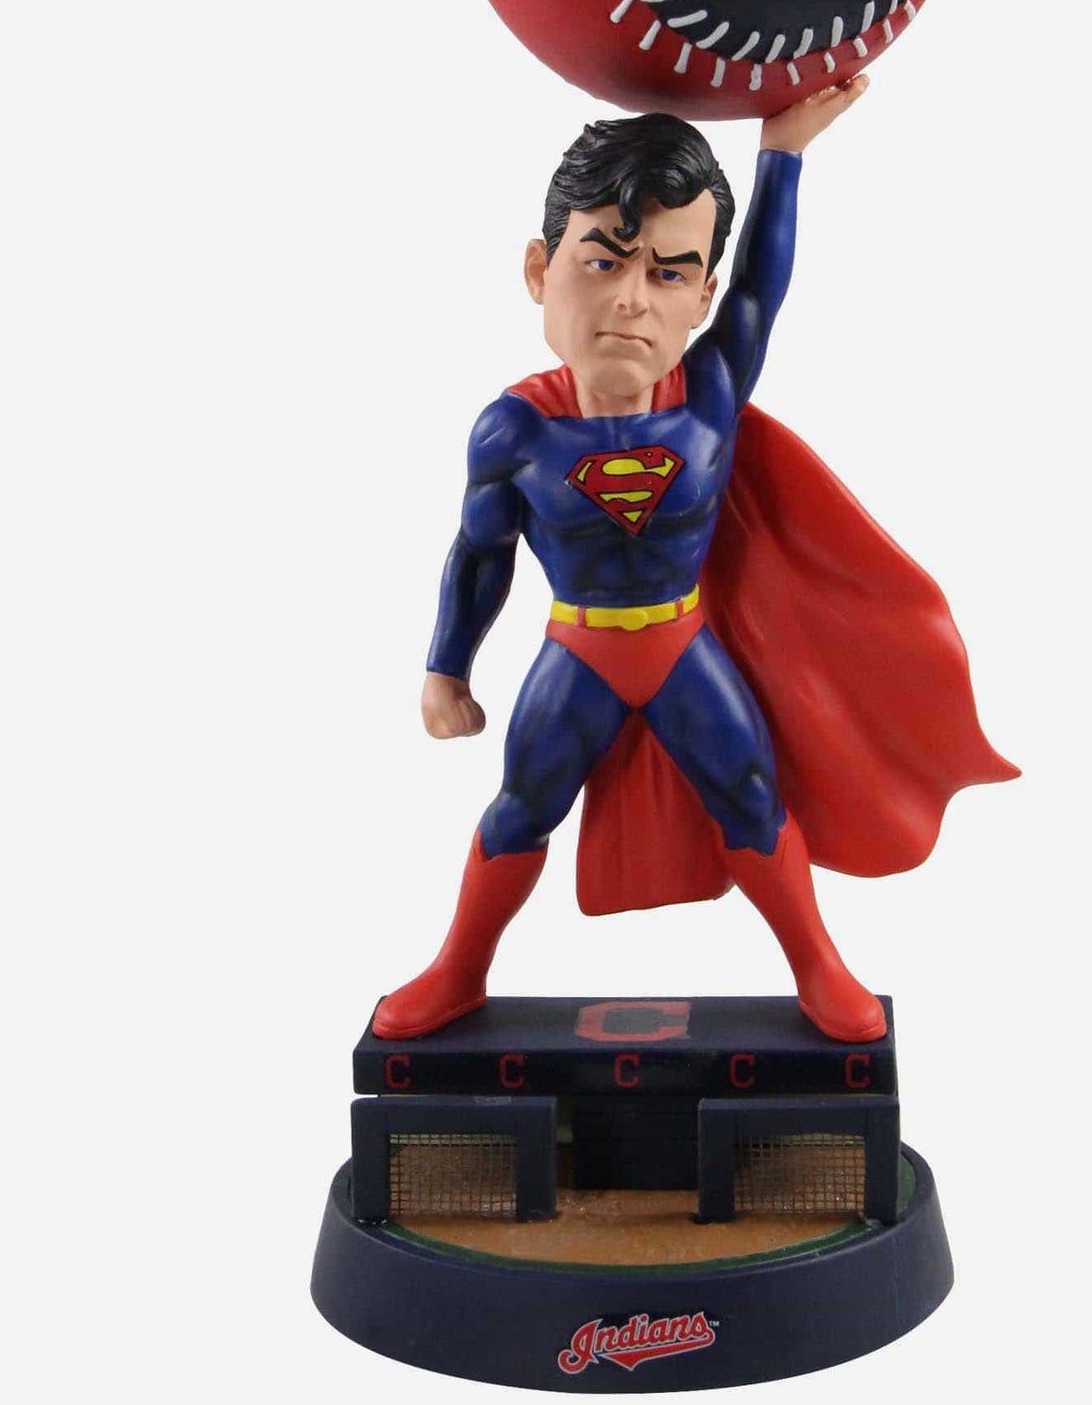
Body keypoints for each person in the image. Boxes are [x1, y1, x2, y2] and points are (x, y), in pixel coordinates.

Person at [375, 80, 1015, 1042]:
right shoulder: (513, 431)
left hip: (681, 650)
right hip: (579, 653)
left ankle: (819, 966)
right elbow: (479, 553)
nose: (632, 298)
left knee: (751, 797)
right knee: (520, 809)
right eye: (603, 260)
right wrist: (445, 668)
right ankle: (458, 971)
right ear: (541, 270)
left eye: (671, 273)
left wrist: (785, 152)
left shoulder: (709, 394)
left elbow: (765, 285)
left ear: (701, 297)